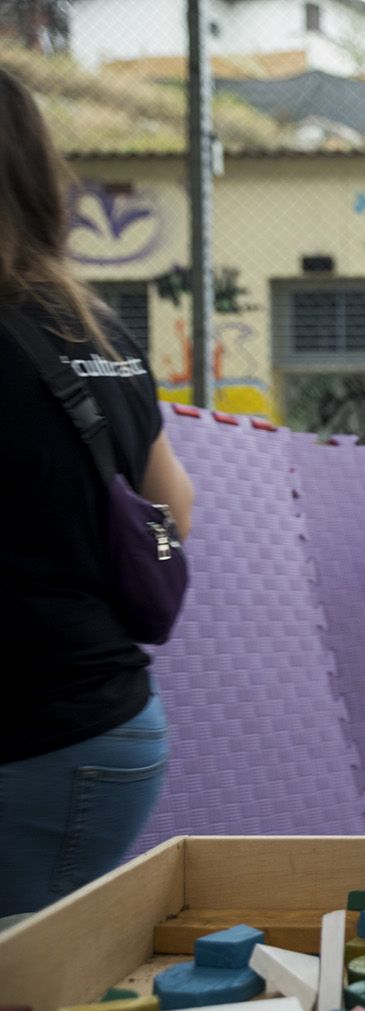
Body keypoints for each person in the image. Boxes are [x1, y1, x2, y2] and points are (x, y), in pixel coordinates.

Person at [0, 66, 194, 923]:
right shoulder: (99, 327)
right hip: (117, 725)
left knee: (30, 1000)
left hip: (34, 740)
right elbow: (172, 512)